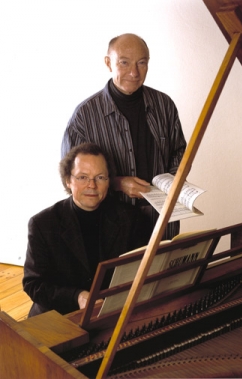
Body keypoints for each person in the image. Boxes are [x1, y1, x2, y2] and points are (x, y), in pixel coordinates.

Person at [61, 33, 186, 243]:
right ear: (108, 63)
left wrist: (173, 180)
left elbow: (179, 151)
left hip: (162, 215)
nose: (134, 72)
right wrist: (117, 183)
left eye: (142, 63)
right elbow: (71, 177)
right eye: (124, 63)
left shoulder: (165, 105)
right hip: (109, 220)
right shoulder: (84, 115)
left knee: (165, 272)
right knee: (118, 275)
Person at [23, 143, 143, 317]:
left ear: (109, 181)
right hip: (59, 314)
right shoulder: (42, 224)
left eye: (100, 177)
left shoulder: (129, 217)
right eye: (82, 177)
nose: (92, 185)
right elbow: (34, 285)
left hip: (110, 312)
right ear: (68, 180)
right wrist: (76, 296)